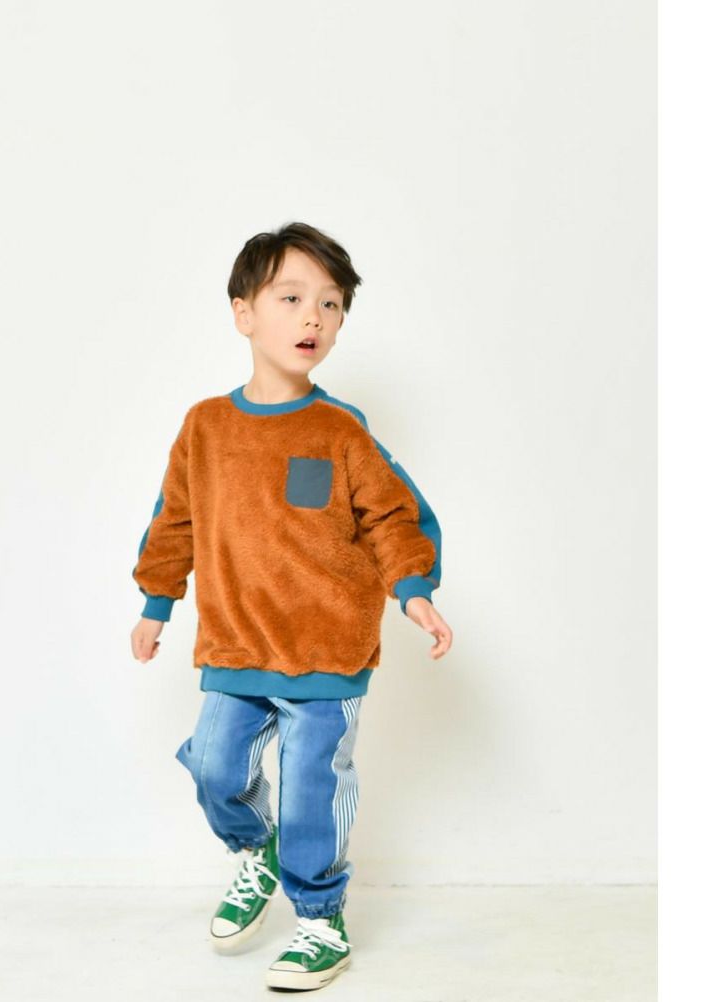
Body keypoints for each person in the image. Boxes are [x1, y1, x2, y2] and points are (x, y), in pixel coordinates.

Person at [129, 221, 453, 992]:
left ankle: (320, 920)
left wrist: (414, 592)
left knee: (313, 790)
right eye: (292, 298)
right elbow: (175, 520)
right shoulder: (206, 427)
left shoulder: (340, 430)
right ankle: (257, 850)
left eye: (331, 304)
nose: (314, 317)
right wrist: (156, 602)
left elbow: (394, 516)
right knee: (215, 767)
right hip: (237, 643)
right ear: (243, 312)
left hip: (326, 649)